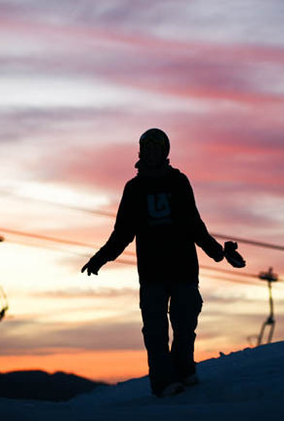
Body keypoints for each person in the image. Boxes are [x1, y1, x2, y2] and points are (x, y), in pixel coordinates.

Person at [82, 128, 244, 397]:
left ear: (164, 152)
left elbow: (194, 224)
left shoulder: (179, 182)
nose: (151, 152)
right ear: (141, 152)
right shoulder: (133, 189)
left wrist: (220, 254)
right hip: (152, 273)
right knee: (155, 333)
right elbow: (122, 232)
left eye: (156, 148)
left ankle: (184, 370)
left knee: (184, 325)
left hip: (183, 269)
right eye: (147, 148)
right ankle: (164, 382)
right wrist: (100, 258)